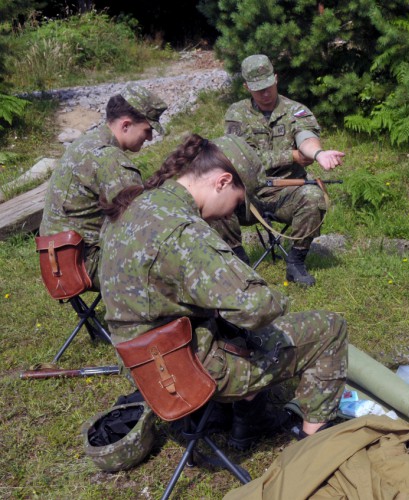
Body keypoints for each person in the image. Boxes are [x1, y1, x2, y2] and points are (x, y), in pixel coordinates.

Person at [98, 134, 348, 447]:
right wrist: (277, 299)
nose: (232, 213)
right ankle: (314, 443)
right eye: (238, 201)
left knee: (231, 324)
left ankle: (250, 420)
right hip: (185, 371)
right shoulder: (184, 232)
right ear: (222, 182)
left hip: (142, 364)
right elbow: (258, 308)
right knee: (329, 329)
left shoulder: (139, 202)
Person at [221, 54, 345, 286]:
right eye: (258, 89)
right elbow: (241, 158)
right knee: (215, 200)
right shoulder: (236, 114)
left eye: (268, 86)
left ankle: (296, 262)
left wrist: (317, 153)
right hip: (248, 195)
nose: (265, 93)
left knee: (313, 197)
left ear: (276, 79)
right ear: (246, 87)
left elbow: (305, 137)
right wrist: (291, 156)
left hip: (287, 193)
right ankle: (239, 262)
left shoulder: (295, 110)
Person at [39, 83, 167, 287]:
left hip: (59, 257)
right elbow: (142, 219)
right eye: (148, 130)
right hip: (85, 262)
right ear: (126, 125)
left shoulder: (87, 142)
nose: (150, 138)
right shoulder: (109, 159)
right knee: (174, 266)